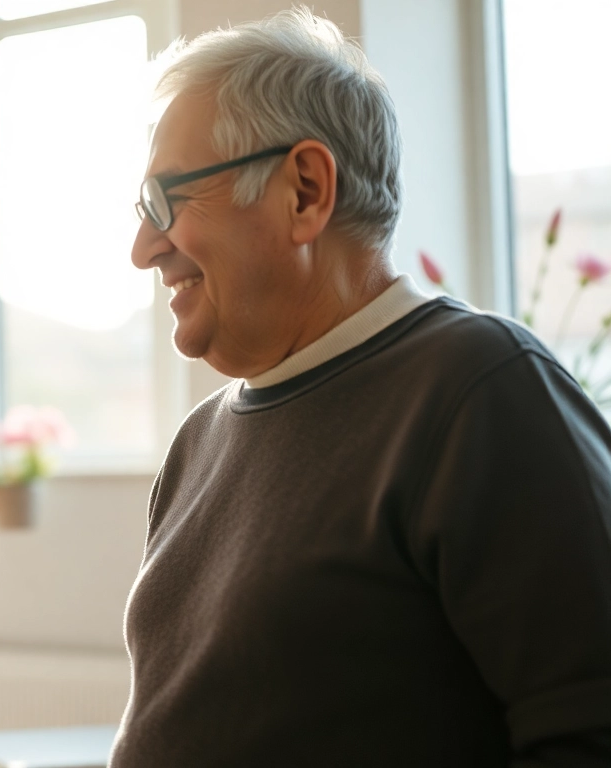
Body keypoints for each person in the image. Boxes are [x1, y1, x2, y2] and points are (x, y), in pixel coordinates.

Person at [112, 8, 611, 767]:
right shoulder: (200, 440)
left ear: (305, 191)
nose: (144, 248)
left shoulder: (482, 391)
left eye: (166, 201)